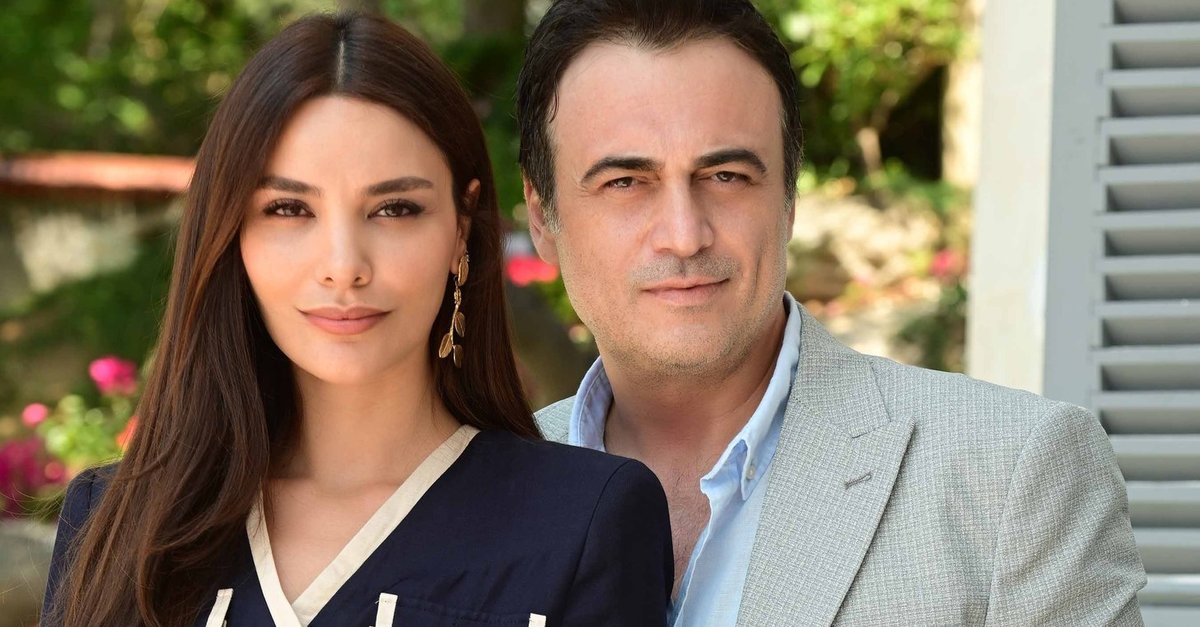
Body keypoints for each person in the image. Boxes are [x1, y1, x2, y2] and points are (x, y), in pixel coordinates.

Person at [516, 1, 1146, 625]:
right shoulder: (481, 483)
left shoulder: (1016, 476)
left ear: (788, 200)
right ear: (543, 218)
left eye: (726, 175)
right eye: (625, 182)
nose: (684, 236)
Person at [42, 13, 671, 627]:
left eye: (394, 209)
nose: (343, 267)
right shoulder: (115, 524)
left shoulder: (584, 523)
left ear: (462, 226)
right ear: (232, 233)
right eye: (289, 209)